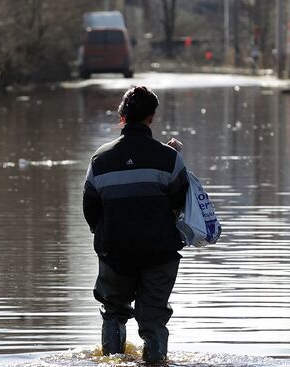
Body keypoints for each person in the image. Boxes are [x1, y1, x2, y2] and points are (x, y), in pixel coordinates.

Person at [82, 86, 189, 364]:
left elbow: (90, 208)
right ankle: (155, 360)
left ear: (122, 116)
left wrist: (106, 235)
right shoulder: (170, 159)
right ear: (151, 117)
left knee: (114, 312)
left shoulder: (100, 160)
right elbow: (180, 201)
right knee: (153, 318)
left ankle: (112, 360)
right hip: (159, 253)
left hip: (114, 252)